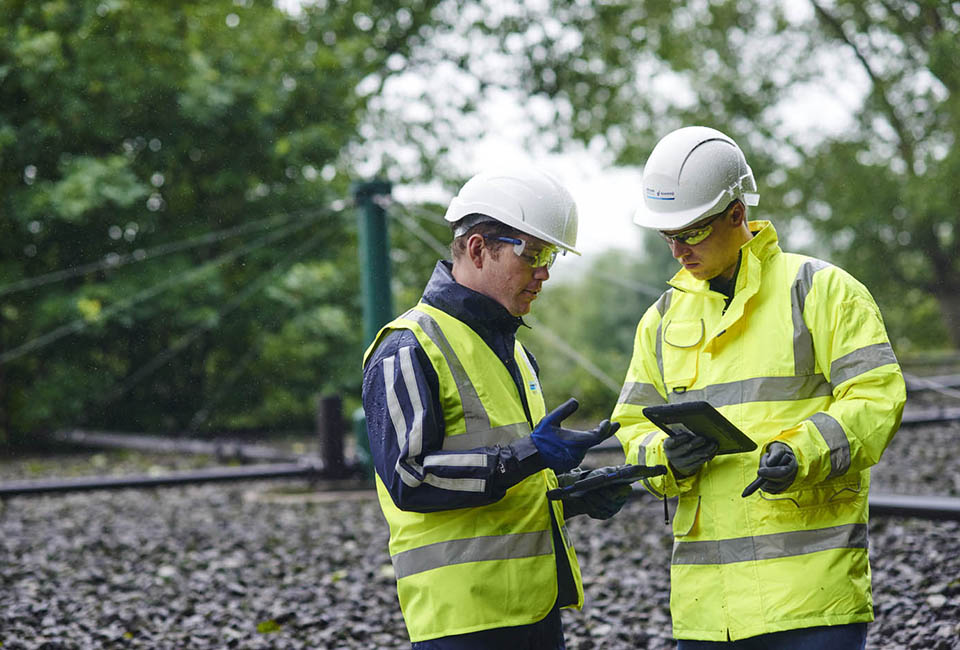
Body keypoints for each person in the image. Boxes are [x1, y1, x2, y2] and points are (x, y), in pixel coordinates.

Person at [612, 126, 906, 649]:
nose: (678, 250)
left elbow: (877, 397)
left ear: (735, 213)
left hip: (813, 603)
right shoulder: (658, 321)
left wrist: (802, 451)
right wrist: (666, 458)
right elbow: (632, 427)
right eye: (668, 236)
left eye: (692, 232)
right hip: (709, 613)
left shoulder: (821, 291)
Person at [362, 167, 630, 649]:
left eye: (551, 256)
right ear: (478, 249)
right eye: (534, 253)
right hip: (463, 621)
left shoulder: (514, 350)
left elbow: (502, 485)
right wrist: (529, 455)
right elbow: (411, 479)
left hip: (535, 608)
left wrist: (569, 496)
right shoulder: (408, 346)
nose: (545, 271)